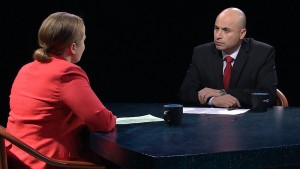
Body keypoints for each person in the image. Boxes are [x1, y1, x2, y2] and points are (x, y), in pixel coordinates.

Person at [5, 12, 117, 169]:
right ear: (73, 47)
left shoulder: (26, 69)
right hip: (47, 162)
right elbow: (102, 122)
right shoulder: (66, 72)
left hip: (14, 158)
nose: (84, 45)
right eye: (84, 40)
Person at [178, 7, 278, 108]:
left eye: (226, 30)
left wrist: (222, 92)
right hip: (211, 120)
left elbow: (268, 95)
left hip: (249, 120)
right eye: (216, 28)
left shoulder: (262, 53)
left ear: (242, 33)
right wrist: (212, 100)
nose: (218, 36)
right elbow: (185, 92)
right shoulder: (202, 53)